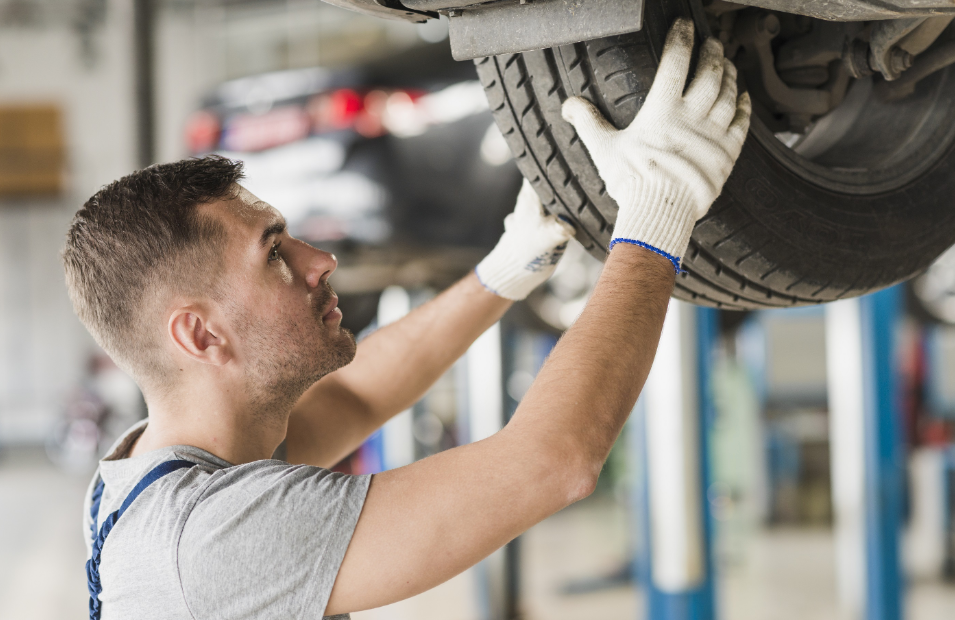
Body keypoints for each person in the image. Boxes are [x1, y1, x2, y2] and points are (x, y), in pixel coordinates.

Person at [65, 18, 749, 620]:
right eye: (274, 254)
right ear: (200, 335)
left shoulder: (152, 470)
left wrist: (501, 273)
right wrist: (657, 213)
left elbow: (356, 394)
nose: (321, 259)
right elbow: (552, 462)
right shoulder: (211, 543)